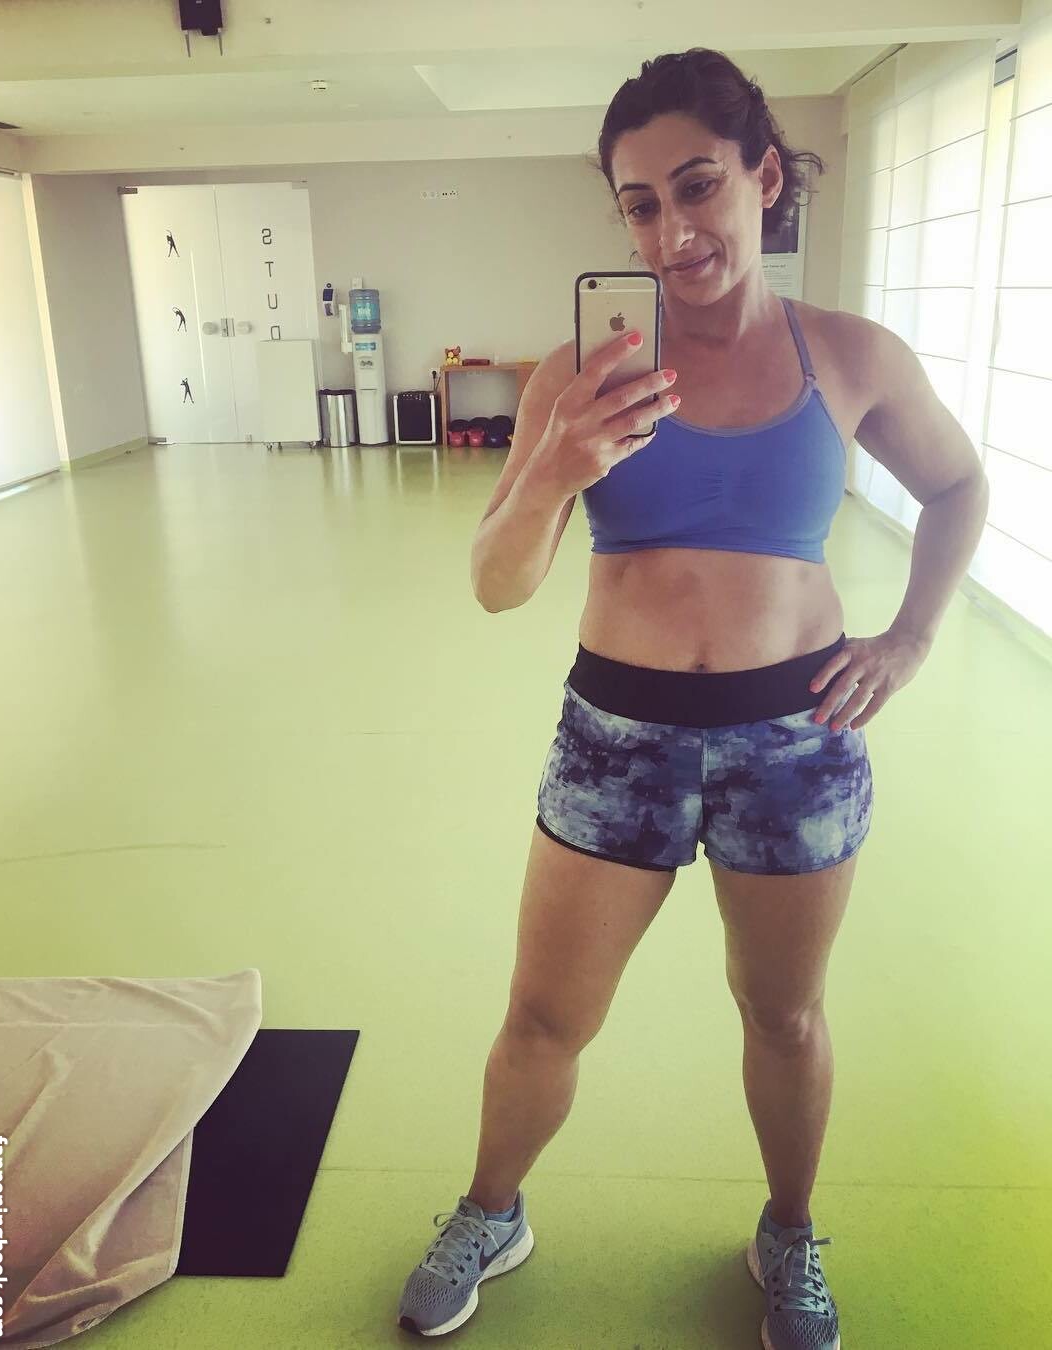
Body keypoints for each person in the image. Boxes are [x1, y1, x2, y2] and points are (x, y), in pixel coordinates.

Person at [398, 47, 989, 1348]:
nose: (673, 230)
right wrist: (555, 468)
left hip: (798, 741)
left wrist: (907, 640)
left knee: (783, 1012)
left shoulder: (850, 356)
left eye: (698, 186)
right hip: (615, 740)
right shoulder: (578, 373)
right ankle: (492, 1209)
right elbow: (497, 584)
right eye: (640, 203)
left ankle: (790, 1231)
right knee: (544, 1017)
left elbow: (959, 485)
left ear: (764, 179)